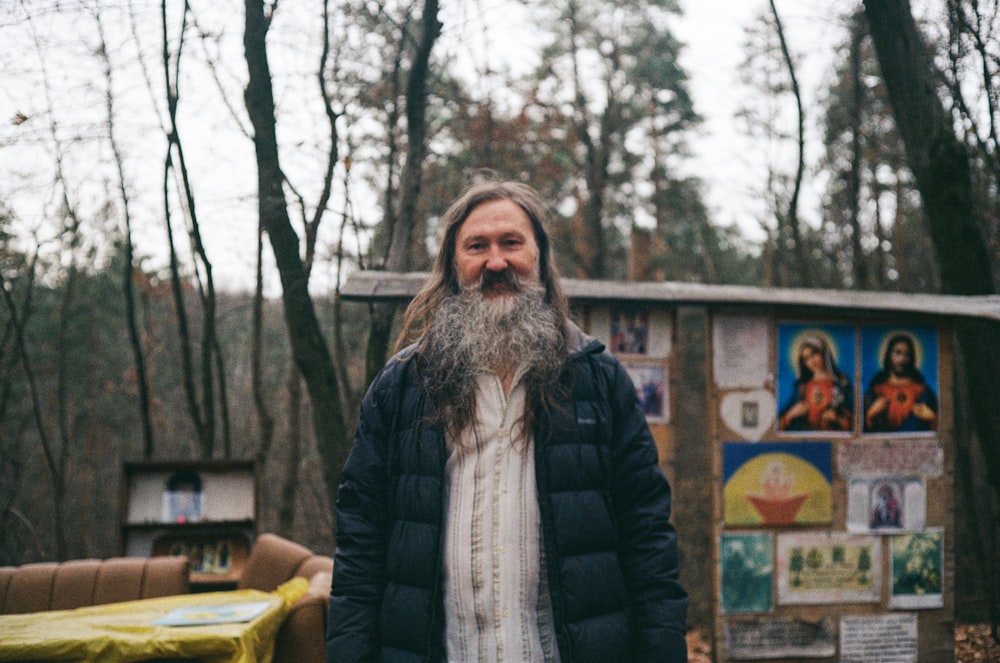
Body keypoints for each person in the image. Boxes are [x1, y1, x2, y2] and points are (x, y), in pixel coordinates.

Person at [327, 180, 689, 662]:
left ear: (539, 257)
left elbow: (649, 544)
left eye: (511, 243)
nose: (495, 263)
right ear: (454, 267)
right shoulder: (400, 390)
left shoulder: (599, 383)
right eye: (477, 247)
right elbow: (360, 550)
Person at [863, 332, 938, 432]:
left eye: (907, 354)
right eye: (897, 353)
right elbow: (860, 428)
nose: (902, 359)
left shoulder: (922, 390)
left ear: (912, 358)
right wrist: (871, 413)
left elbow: (942, 428)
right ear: (889, 355)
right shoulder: (877, 389)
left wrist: (932, 418)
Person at [777, 335, 853, 432]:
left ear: (824, 354)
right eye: (806, 359)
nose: (811, 361)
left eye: (814, 354)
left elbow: (857, 421)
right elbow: (779, 424)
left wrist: (837, 418)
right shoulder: (802, 386)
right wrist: (791, 414)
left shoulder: (842, 382)